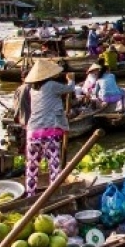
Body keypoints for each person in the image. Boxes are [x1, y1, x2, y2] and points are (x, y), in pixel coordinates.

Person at [24, 60, 76, 196]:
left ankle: (30, 194)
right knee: (54, 166)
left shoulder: (32, 90)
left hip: (32, 133)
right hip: (49, 133)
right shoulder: (52, 85)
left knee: (32, 167)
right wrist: (71, 79)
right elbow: (70, 89)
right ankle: (54, 194)